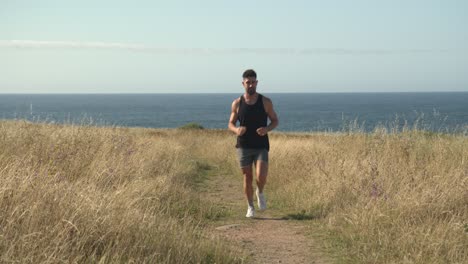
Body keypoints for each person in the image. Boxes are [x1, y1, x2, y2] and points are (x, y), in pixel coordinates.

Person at [228, 69, 279, 218]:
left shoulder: (265, 102)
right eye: (247, 82)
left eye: (253, 82)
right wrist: (237, 130)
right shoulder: (237, 103)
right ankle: (250, 207)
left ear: (257, 83)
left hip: (261, 145)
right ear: (243, 83)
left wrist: (267, 129)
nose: (250, 85)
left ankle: (260, 192)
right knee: (247, 177)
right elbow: (230, 123)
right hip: (243, 145)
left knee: (261, 176)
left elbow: (275, 120)